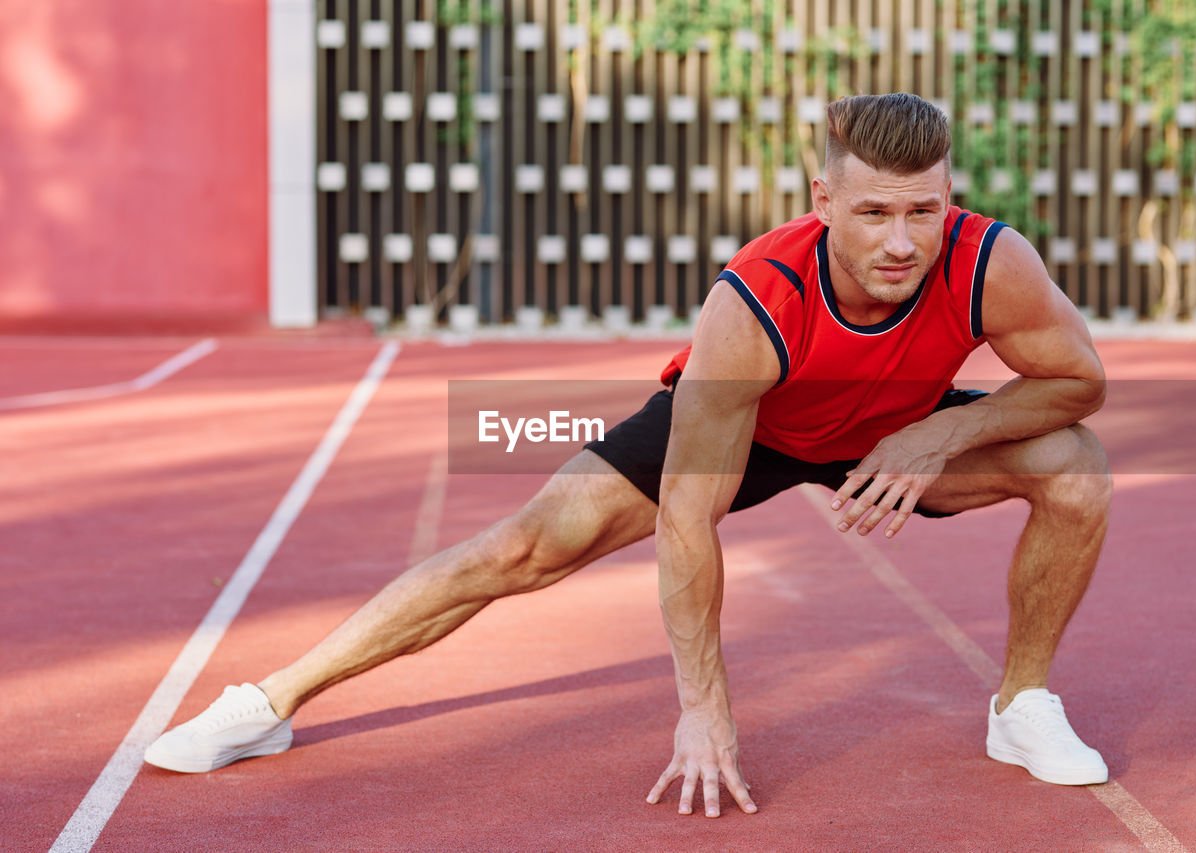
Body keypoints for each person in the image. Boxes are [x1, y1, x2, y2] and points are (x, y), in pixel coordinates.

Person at [145, 93, 1112, 816]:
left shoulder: (992, 260)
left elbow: (1078, 381)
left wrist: (938, 428)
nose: (903, 241)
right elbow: (689, 519)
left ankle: (1021, 704)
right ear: (824, 197)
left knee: (1076, 468)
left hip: (895, 431)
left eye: (924, 210)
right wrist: (705, 708)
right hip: (754, 426)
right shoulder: (756, 302)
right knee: (517, 550)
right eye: (874, 213)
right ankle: (268, 700)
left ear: (950, 197)